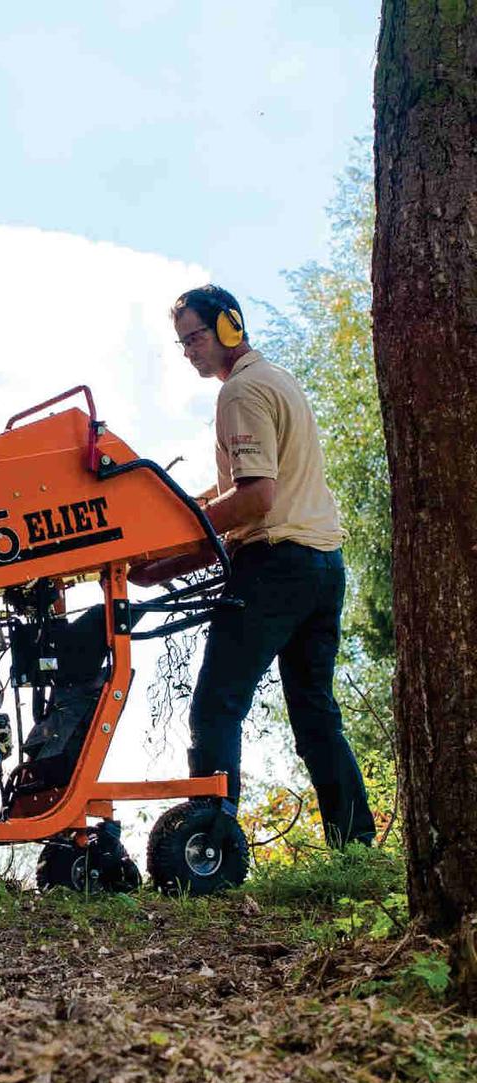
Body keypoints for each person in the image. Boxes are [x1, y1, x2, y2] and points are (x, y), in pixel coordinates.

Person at [130, 283, 375, 847]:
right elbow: (240, 494)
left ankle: (208, 846)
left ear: (228, 328)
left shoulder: (240, 392)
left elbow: (256, 499)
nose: (189, 350)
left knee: (216, 707)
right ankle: (355, 844)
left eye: (194, 337)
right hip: (322, 565)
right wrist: (174, 519)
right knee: (316, 716)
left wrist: (165, 564)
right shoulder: (278, 380)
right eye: (181, 342)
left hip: (275, 565)